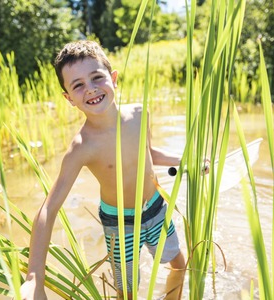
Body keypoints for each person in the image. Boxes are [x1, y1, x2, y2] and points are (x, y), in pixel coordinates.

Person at [20, 40, 192, 300]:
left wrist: (187, 161)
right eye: (78, 85)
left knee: (178, 264)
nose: (90, 89)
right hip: (119, 223)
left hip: (156, 208)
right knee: (126, 291)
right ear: (69, 99)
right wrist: (34, 277)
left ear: (113, 79)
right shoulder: (82, 147)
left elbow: (150, 154)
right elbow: (49, 208)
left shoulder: (139, 115)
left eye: (96, 78)